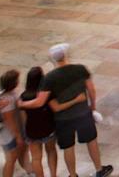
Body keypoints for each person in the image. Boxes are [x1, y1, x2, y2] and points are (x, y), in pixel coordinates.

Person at [25, 44, 113, 177]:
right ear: (66, 55)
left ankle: (72, 175)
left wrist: (22, 103)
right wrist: (93, 106)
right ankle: (99, 169)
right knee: (91, 140)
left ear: (53, 59)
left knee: (68, 147)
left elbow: (40, 101)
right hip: (83, 113)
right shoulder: (80, 69)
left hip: (63, 118)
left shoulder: (49, 78)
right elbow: (91, 90)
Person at [19, 67, 56, 177]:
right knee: (51, 151)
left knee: (36, 158)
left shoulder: (23, 96)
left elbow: (23, 117)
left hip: (31, 131)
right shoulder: (46, 95)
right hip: (48, 128)